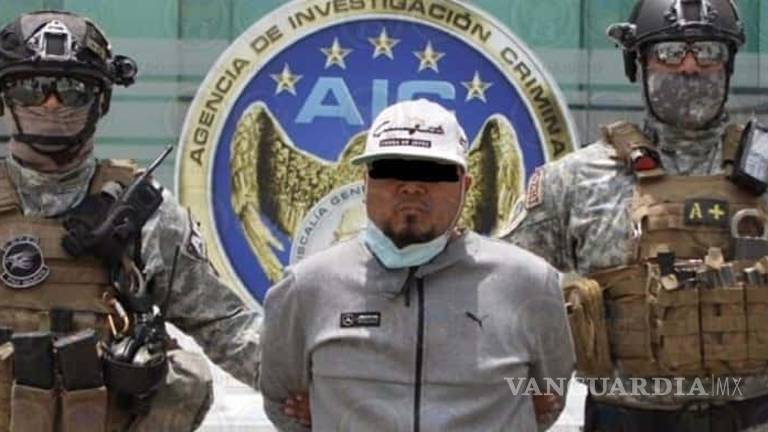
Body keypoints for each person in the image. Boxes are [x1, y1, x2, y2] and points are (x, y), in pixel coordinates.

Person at [503, 0, 768, 430]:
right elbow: (501, 295)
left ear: (728, 64)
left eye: (708, 51)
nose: (689, 67)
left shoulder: (763, 173)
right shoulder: (574, 180)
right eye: (669, 52)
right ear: (638, 64)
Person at [0, 10, 264, 431]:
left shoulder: (142, 212)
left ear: (101, 101)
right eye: (30, 88)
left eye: (72, 90)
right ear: (5, 98)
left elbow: (227, 325)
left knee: (185, 377)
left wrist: (314, 386)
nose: (51, 103)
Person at [259, 98, 575, 431]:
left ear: (465, 187)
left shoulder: (529, 283)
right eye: (390, 170)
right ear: (365, 183)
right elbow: (284, 402)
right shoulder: (306, 287)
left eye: (433, 171)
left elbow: (545, 401)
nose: (411, 187)